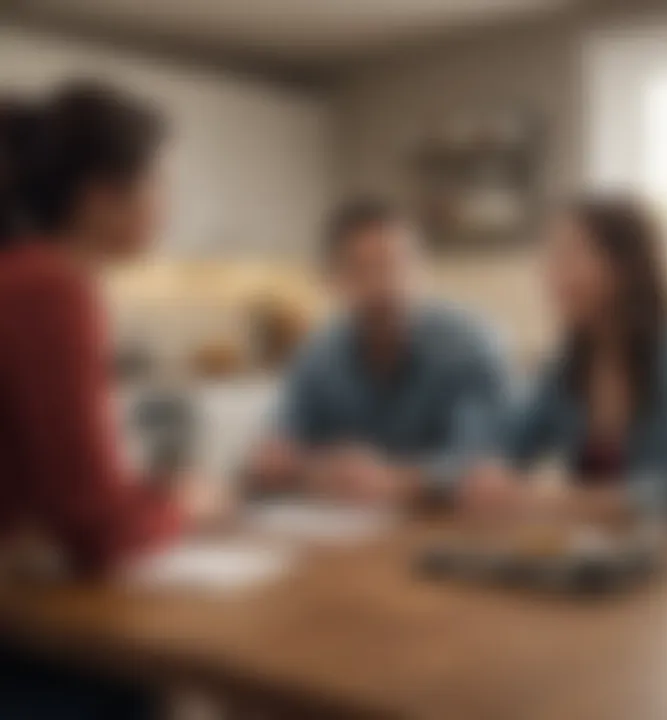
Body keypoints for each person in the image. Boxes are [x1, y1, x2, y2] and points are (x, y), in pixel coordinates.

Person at [0, 84, 219, 718]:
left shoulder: (20, 273)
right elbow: (97, 533)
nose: (168, 207)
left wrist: (138, 500)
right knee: (143, 680)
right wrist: (184, 503)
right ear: (101, 196)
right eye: (160, 185)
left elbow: (60, 505)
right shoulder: (49, 288)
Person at [463, 196, 667, 523]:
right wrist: (491, 468)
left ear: (623, 268)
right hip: (601, 557)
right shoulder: (568, 362)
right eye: (551, 257)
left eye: (569, 255)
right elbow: (512, 439)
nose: (550, 274)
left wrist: (563, 502)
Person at [248, 198, 511, 507]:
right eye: (365, 269)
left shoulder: (468, 345)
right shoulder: (319, 355)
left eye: (399, 264)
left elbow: (481, 460)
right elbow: (278, 446)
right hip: (347, 535)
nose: (386, 284)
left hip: (448, 531)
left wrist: (392, 479)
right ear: (335, 280)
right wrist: (302, 466)